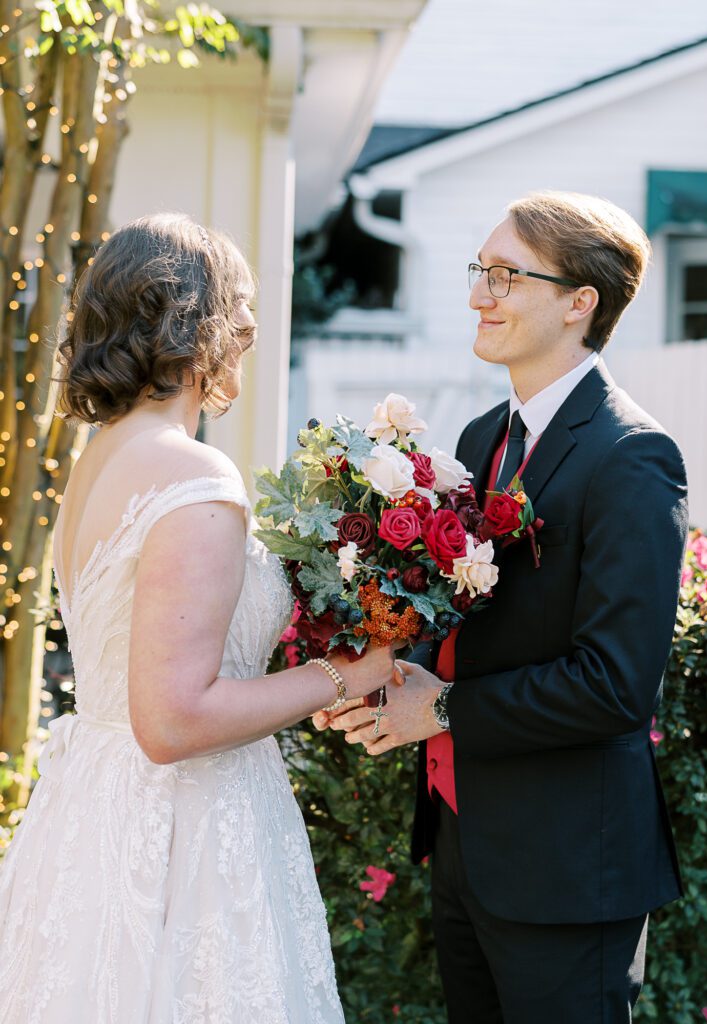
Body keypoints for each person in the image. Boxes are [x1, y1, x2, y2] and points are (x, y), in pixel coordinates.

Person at [0, 213, 393, 1023]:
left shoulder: (102, 457)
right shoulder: (193, 477)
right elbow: (173, 720)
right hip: (184, 831)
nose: (251, 324)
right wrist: (344, 675)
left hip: (97, 811)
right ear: (193, 321)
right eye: (239, 303)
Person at [316, 192, 689, 1022]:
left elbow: (615, 685)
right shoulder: (485, 434)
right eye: (479, 273)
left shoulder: (631, 457)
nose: (479, 295)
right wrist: (380, 663)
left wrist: (441, 708)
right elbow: (469, 615)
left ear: (576, 302)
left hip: (564, 867)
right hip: (467, 841)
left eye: (503, 276)